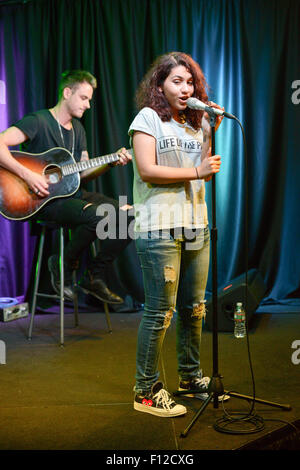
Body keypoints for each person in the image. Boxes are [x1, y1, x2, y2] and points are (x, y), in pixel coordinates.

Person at [128, 52, 228, 417]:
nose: (185, 88)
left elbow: (204, 164)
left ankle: (190, 376)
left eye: (190, 82)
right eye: (176, 81)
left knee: (194, 308)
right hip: (159, 226)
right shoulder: (148, 118)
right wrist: (198, 172)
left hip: (195, 222)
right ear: (160, 85)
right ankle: (146, 390)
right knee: (160, 312)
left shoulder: (195, 122)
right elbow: (147, 170)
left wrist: (209, 130)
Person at [0, 70, 133, 305]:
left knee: (130, 216)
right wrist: (28, 175)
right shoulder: (38, 121)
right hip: (40, 200)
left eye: (90, 99)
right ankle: (62, 265)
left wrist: (110, 162)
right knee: (97, 216)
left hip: (71, 194)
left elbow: (82, 174)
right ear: (67, 92)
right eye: (84, 98)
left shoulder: (78, 131)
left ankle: (93, 275)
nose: (89, 105)